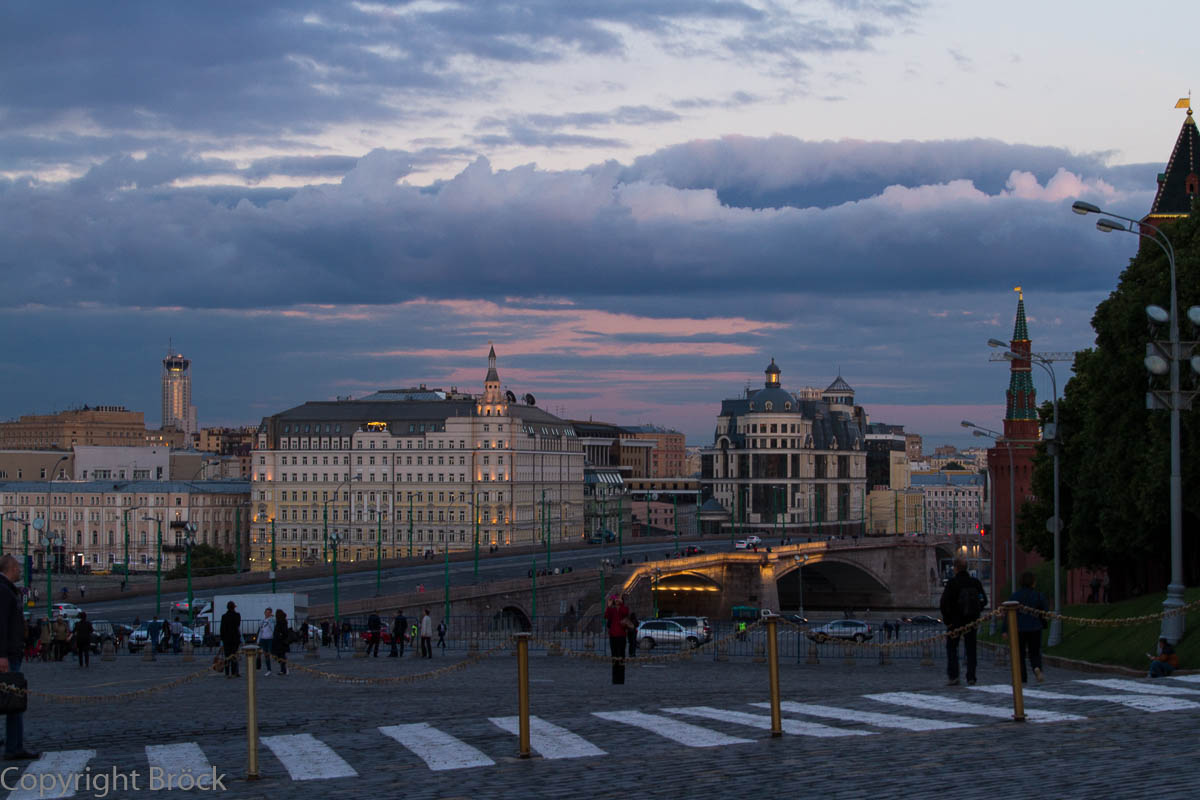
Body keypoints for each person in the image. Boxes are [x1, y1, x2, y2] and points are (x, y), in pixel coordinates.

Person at [0, 554, 38, 760]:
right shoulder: (4, 591)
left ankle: (13, 744)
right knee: (14, 703)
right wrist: (2, 656)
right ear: (10, 569)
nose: (20, 571)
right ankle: (14, 747)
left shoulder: (6, 590)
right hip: (8, 656)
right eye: (17, 568)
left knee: (9, 701)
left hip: (10, 653)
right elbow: (1, 626)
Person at [939, 555, 987, 686]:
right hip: (972, 621)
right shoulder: (975, 583)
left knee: (952, 648)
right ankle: (971, 677)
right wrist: (976, 612)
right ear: (966, 568)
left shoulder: (952, 583)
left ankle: (954, 676)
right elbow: (984, 601)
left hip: (955, 622)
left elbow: (943, 604)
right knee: (971, 649)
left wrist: (948, 620)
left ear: (955, 569)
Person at [1003, 570, 1047, 683]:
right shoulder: (1038, 595)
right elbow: (1044, 610)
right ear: (1033, 582)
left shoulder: (1015, 596)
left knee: (1020, 654)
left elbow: (1008, 613)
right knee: (1035, 652)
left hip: (1019, 628)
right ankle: (1037, 668)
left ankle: (1022, 677)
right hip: (1035, 627)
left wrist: (1005, 630)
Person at [604, 594, 631, 684]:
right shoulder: (612, 609)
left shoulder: (625, 608)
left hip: (621, 636)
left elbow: (625, 613)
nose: (617, 600)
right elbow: (606, 616)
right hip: (613, 636)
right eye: (616, 599)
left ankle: (621, 679)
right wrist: (609, 606)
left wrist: (621, 605)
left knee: (621, 657)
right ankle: (615, 679)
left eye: (619, 599)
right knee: (614, 657)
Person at [219, 601, 241, 678]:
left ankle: (227, 672)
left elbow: (222, 629)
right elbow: (238, 625)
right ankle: (234, 672)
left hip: (226, 639)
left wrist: (222, 640)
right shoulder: (237, 615)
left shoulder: (224, 616)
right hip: (235, 639)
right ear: (234, 607)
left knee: (227, 656)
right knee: (234, 655)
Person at [271, 609, 289, 676]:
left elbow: (284, 632)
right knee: (280, 655)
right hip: (279, 641)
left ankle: (283, 669)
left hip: (280, 641)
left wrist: (279, 635)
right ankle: (283, 669)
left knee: (281, 655)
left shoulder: (282, 622)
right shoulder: (281, 621)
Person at [257, 608, 274, 675]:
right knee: (265, 655)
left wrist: (271, 618)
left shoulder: (272, 620)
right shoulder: (262, 621)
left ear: (270, 613)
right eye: (266, 612)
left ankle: (284, 667)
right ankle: (268, 669)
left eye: (268, 612)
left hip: (270, 639)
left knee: (273, 654)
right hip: (263, 639)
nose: (267, 614)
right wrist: (258, 640)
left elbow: (273, 628)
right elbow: (260, 631)